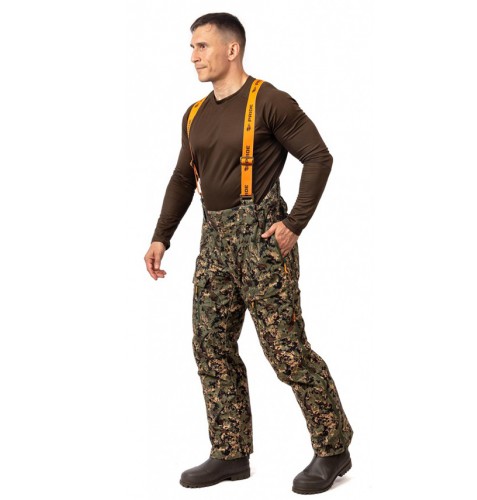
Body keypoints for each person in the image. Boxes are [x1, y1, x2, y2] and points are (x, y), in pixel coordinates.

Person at [144, 12, 353, 495]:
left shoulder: (270, 101)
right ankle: (230, 452)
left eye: (201, 46)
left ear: (232, 49)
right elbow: (182, 179)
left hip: (261, 241)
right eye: (191, 47)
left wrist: (294, 223)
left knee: (286, 351)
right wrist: (161, 237)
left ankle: (333, 447)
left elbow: (318, 156)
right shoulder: (194, 114)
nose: (193, 56)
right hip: (214, 242)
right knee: (210, 345)